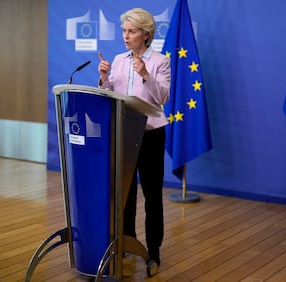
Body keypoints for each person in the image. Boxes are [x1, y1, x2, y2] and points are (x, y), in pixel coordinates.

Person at [97, 8, 171, 266]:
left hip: (150, 135)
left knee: (152, 195)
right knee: (124, 193)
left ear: (146, 34)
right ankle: (126, 241)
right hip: (123, 134)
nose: (126, 36)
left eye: (131, 31)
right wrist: (104, 79)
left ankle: (153, 251)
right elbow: (111, 92)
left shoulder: (160, 61)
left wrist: (145, 75)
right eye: (124, 31)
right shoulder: (119, 59)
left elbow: (162, 98)